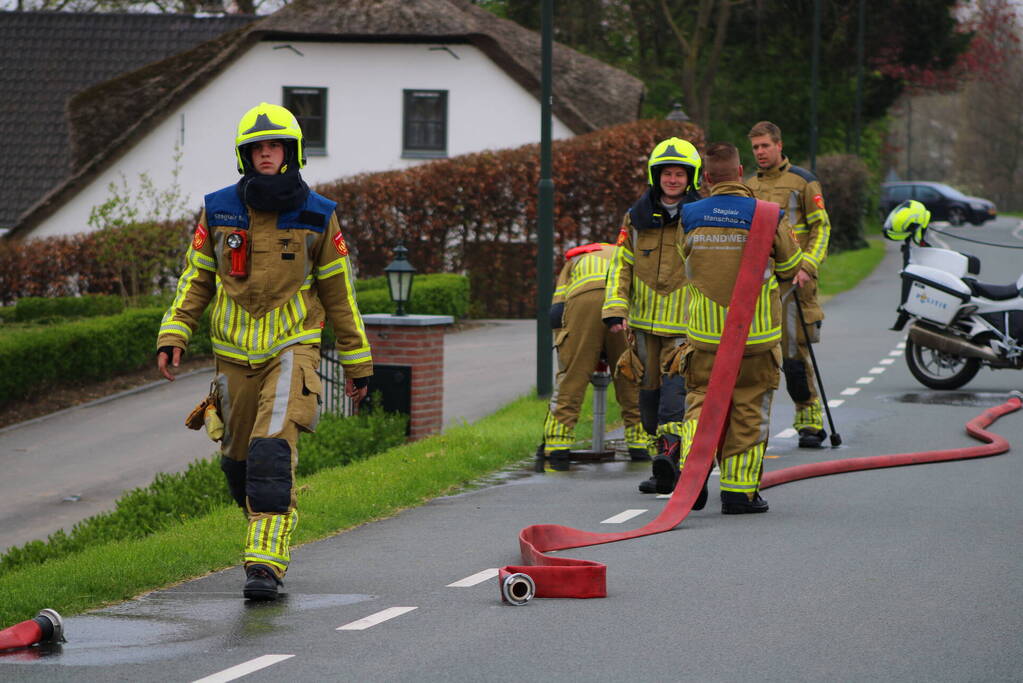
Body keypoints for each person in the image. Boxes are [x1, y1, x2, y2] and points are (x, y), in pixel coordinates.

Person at [156, 102, 373, 601]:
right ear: (244, 156)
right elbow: (196, 279)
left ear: (291, 151)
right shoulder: (217, 209)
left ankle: (264, 567)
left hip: (293, 348)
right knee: (239, 465)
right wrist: (174, 334)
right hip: (232, 359)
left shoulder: (319, 214)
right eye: (257, 148)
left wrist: (359, 363)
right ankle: (267, 525)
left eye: (275, 146)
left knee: (271, 454)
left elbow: (341, 295)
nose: (266, 154)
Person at [674, 142, 803, 513]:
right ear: (741, 170)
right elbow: (792, 264)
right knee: (749, 409)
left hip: (705, 338)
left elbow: (686, 262)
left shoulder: (690, 214)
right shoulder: (768, 214)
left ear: (708, 178)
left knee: (700, 405)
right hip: (756, 338)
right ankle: (738, 492)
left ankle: (692, 482)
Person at [602, 137, 701, 494]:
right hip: (643, 328)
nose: (673, 180)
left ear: (691, 178)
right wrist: (615, 310)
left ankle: (669, 462)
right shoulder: (636, 217)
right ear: (655, 176)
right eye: (667, 173)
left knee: (675, 397)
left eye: (680, 174)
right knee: (649, 401)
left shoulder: (698, 217)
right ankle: (661, 461)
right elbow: (621, 266)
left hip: (684, 328)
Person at [746, 121, 831, 448]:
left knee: (794, 355)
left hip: (795, 283)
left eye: (765, 145)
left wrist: (808, 265)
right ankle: (753, 425)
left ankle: (808, 418)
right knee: (757, 357)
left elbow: (822, 229)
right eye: (755, 147)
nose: (760, 152)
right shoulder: (748, 185)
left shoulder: (804, 182)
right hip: (757, 286)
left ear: (779, 145)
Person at [537, 242, 651, 472]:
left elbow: (556, 312)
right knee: (629, 373)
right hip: (619, 305)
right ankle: (639, 445)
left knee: (572, 378)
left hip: (583, 301)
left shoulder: (574, 260)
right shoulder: (625, 255)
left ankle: (557, 444)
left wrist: (569, 350)